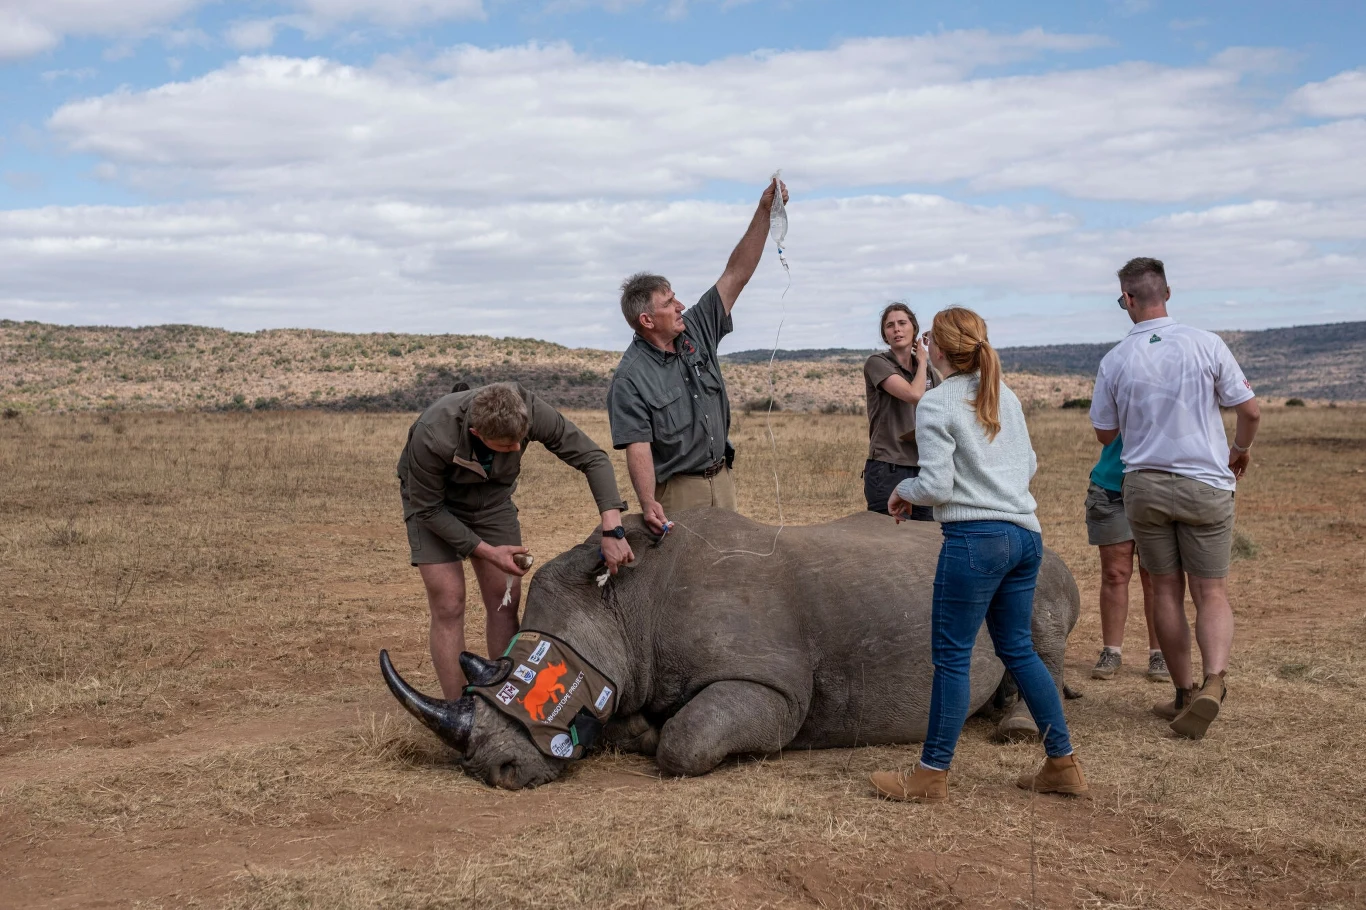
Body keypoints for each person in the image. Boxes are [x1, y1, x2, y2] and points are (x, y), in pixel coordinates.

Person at [870, 307, 1088, 802]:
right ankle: (1062, 762)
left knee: (952, 658)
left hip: (975, 541)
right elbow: (1027, 463)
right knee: (1018, 649)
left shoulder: (936, 402)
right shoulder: (1004, 396)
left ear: (938, 350)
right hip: (1026, 537)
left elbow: (936, 483)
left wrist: (903, 488)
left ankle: (930, 775)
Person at [1090, 257, 1260, 740]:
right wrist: (1240, 450)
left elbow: (1106, 433)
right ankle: (1214, 681)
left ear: (1128, 299)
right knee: (1211, 591)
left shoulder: (1116, 359)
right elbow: (1249, 410)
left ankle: (1183, 692)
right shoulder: (1206, 344)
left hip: (1143, 484)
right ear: (1167, 292)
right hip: (1206, 481)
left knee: (1164, 588)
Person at [397, 382, 635, 699]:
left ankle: (503, 702)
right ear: (477, 433)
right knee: (449, 602)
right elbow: (428, 509)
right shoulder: (433, 432)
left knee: (504, 602)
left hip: (492, 502)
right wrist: (487, 552)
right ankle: (459, 709)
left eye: (519, 442)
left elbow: (593, 458)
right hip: (434, 508)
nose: (515, 450)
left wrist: (613, 528)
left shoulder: (528, 408)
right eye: (506, 446)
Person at [607, 177, 789, 534]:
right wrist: (648, 503)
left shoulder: (696, 328)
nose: (681, 306)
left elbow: (736, 273)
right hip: (678, 491)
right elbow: (638, 446)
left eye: (676, 297)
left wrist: (764, 211)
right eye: (669, 303)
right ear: (646, 320)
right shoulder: (630, 378)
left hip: (721, 478)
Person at [1086, 435, 1168, 682]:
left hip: (1160, 486)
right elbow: (1105, 431)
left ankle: (1160, 654)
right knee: (1114, 573)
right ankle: (1111, 651)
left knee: (1155, 576)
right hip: (1111, 486)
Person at [863, 302, 937, 520]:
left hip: (923, 467)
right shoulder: (878, 363)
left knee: (925, 540)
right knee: (891, 542)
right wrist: (923, 361)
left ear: (913, 328)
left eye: (902, 323)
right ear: (885, 335)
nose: (896, 329)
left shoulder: (927, 371)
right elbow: (914, 394)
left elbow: (946, 404)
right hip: (889, 467)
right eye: (890, 325)